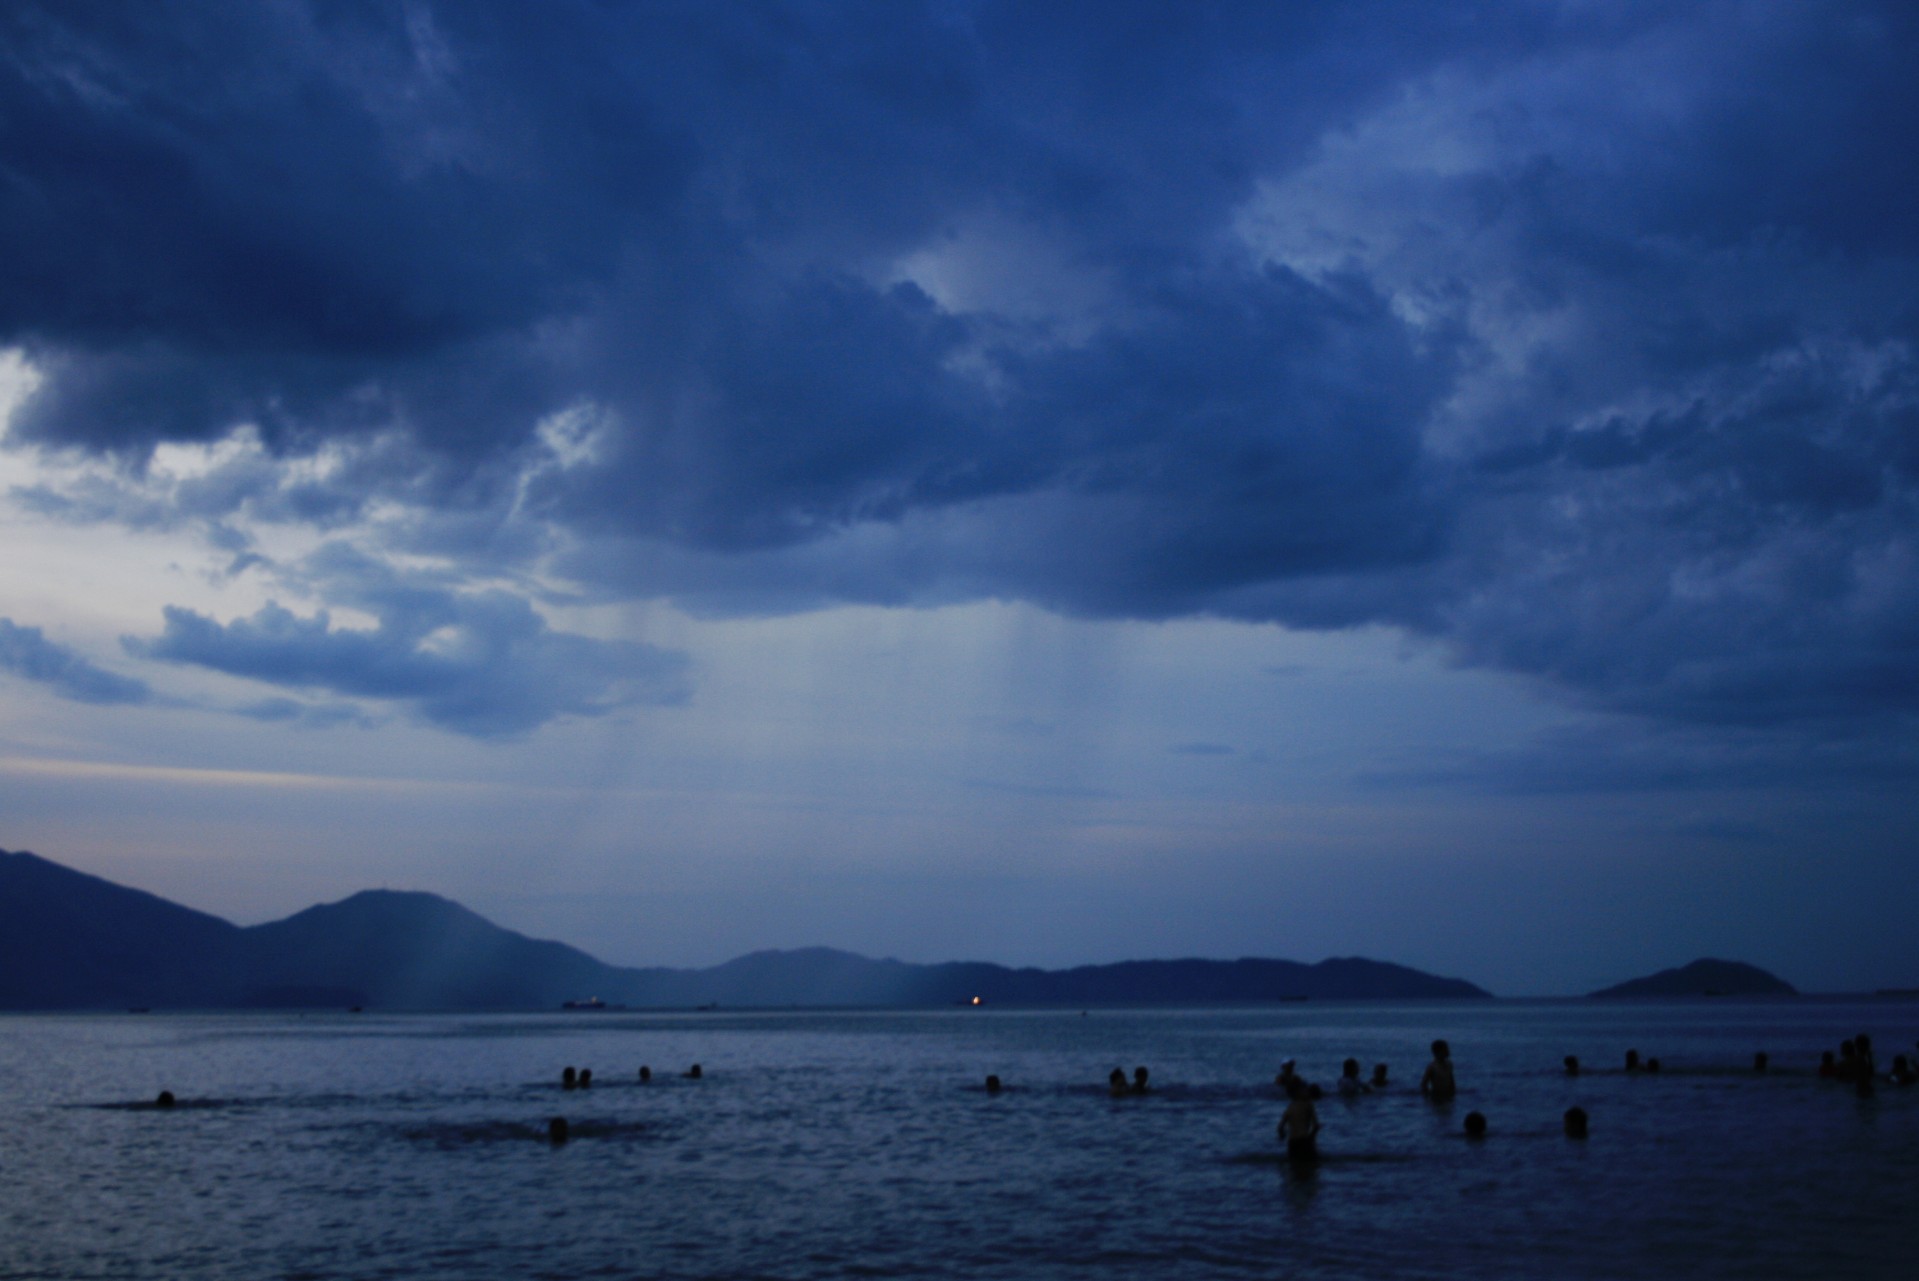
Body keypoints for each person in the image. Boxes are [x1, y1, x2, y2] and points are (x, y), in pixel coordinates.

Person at [1277, 1077, 1319, 1165]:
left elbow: (1280, 1127)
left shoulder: (1290, 1107)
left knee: (1294, 1166)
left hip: (1292, 1142)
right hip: (1305, 1140)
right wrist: (1312, 1138)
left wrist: (1282, 1135)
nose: (1307, 1092)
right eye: (1305, 1090)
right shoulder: (1308, 1105)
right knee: (1310, 1167)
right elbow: (1315, 1126)